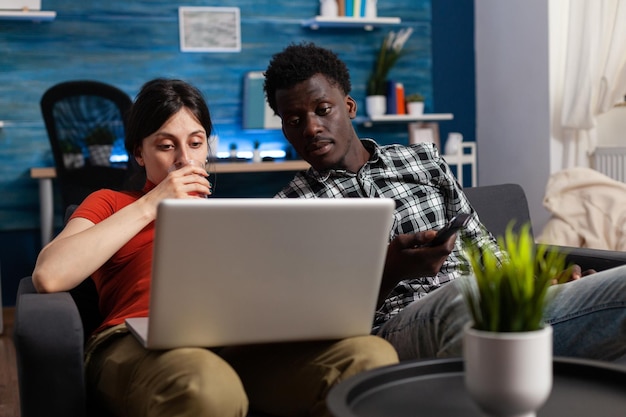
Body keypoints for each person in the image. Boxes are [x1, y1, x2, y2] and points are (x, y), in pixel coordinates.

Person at [32, 78, 399, 417]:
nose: (184, 159)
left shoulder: (234, 220)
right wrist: (152, 203)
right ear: (139, 154)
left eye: (195, 143)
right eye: (165, 145)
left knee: (370, 357)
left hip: (236, 345)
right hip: (137, 341)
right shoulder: (111, 202)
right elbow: (50, 275)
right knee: (206, 385)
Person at [263, 42, 626, 362]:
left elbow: (482, 244)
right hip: (396, 325)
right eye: (294, 120)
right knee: (463, 296)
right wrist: (389, 271)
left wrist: (538, 285)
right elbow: (316, 321)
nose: (310, 128)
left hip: (491, 303)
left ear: (349, 106)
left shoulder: (422, 160)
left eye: (322, 109)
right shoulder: (290, 208)